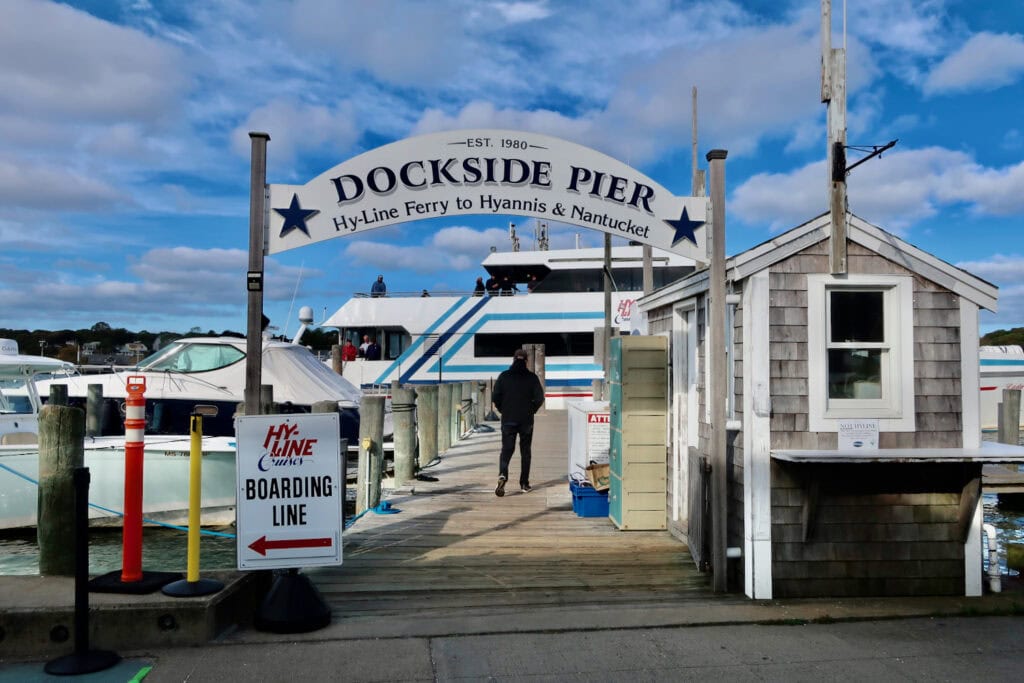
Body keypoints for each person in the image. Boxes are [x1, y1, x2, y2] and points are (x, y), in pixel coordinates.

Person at [491, 348, 544, 496]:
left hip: (508, 419)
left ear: (513, 359)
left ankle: (503, 474)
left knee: (507, 449)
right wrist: (531, 410)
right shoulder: (532, 377)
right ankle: (524, 483)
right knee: (525, 451)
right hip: (526, 420)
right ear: (526, 361)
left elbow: (495, 397)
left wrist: (503, 410)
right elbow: (540, 398)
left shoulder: (504, 376)